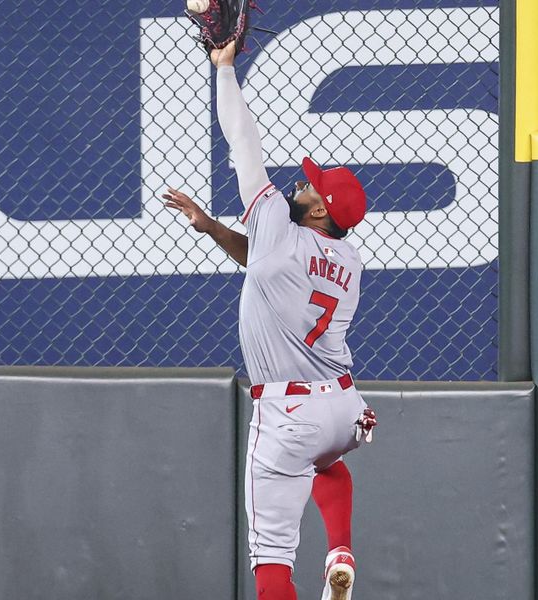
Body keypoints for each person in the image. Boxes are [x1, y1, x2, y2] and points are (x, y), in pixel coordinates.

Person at [163, 41, 376, 600]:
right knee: (327, 464)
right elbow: (265, 266)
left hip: (289, 411)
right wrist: (213, 229)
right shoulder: (349, 261)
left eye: (309, 185)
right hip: (345, 407)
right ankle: (341, 550)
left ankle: (319, 563)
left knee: (272, 564)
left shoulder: (277, 225)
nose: (300, 183)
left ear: (319, 210)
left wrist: (225, 69)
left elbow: (243, 139)